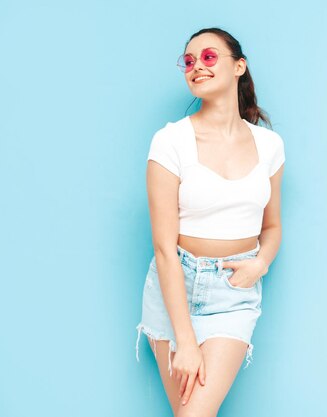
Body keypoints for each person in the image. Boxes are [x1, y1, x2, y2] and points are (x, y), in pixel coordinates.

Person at [134, 27, 285, 416]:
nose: (196, 67)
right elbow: (164, 249)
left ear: (239, 66)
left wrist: (261, 263)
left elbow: (271, 227)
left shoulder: (269, 145)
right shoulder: (169, 142)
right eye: (188, 61)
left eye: (208, 57)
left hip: (232, 295)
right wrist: (184, 341)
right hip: (174, 289)